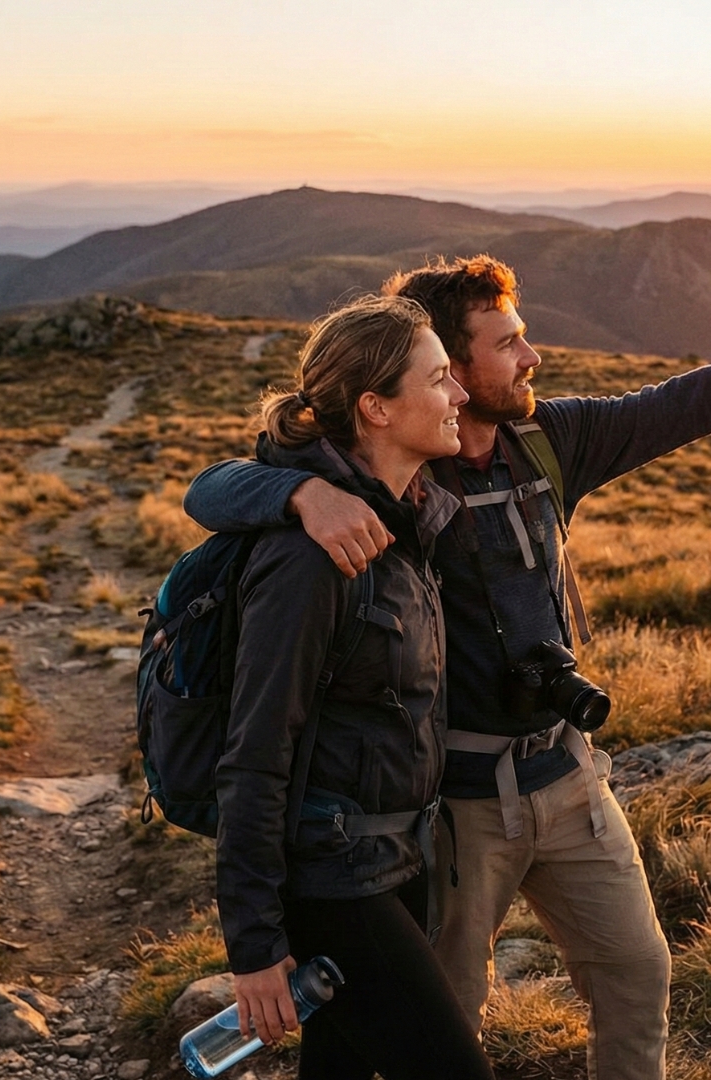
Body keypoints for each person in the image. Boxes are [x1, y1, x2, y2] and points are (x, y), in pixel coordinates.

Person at [189, 256, 711, 1080]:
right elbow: (224, 484)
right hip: (451, 810)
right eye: (505, 345)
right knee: (441, 1023)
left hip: (567, 772)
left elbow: (676, 405)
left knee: (637, 973)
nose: (531, 358)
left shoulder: (546, 445)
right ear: (448, 371)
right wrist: (299, 498)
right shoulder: (397, 481)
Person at [213, 293, 492, 1080]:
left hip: (398, 858)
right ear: (375, 407)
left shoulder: (409, 521)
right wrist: (256, 947)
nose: (460, 395)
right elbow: (256, 752)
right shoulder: (310, 560)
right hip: (336, 882)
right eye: (439, 379)